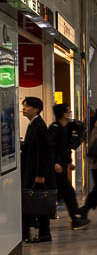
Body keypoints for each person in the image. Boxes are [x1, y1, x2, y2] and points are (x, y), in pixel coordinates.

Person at [49, 104, 90, 230]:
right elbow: (50, 148)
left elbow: (65, 149)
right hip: (56, 167)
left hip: (61, 165)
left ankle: (75, 217)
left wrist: (69, 162)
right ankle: (75, 218)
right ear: (64, 114)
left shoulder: (64, 128)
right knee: (67, 192)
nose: (70, 113)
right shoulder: (55, 128)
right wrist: (55, 162)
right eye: (69, 111)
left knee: (66, 193)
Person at [21, 97, 56, 243]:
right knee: (34, 201)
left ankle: (44, 233)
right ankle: (30, 232)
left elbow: (44, 153)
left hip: (36, 173)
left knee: (38, 201)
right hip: (32, 170)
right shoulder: (33, 124)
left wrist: (40, 175)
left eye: (27, 106)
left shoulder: (39, 126)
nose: (24, 109)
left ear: (36, 109)